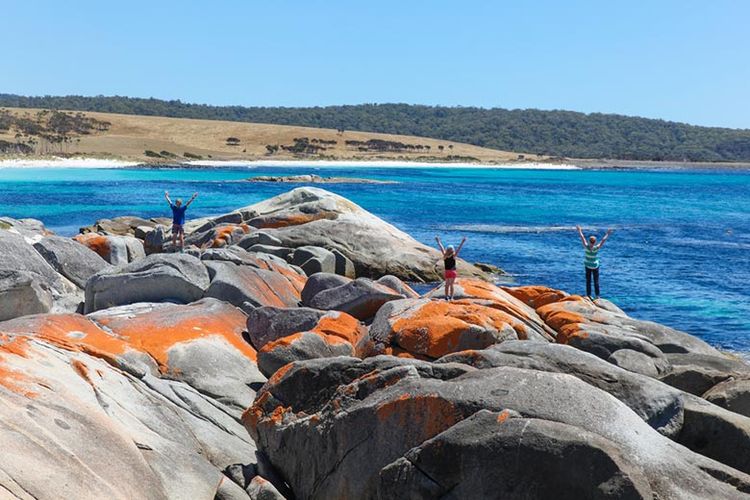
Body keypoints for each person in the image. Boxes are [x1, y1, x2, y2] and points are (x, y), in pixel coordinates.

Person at [576, 225, 613, 299]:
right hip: (595, 266)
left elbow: (582, 237)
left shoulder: (586, 247)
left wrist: (579, 230)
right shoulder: (596, 248)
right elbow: (603, 240)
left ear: (589, 241)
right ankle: (597, 295)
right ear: (595, 242)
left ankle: (588, 295)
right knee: (596, 281)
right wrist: (608, 233)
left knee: (588, 281)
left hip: (587, 265)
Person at [435, 235, 467, 300]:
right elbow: (459, 249)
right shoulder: (454, 256)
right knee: (451, 285)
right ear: (452, 250)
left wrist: (438, 241)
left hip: (447, 271)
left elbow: (441, 248)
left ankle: (446, 297)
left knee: (447, 285)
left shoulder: (445, 256)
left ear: (447, 250)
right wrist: (462, 242)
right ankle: (451, 297)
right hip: (453, 272)